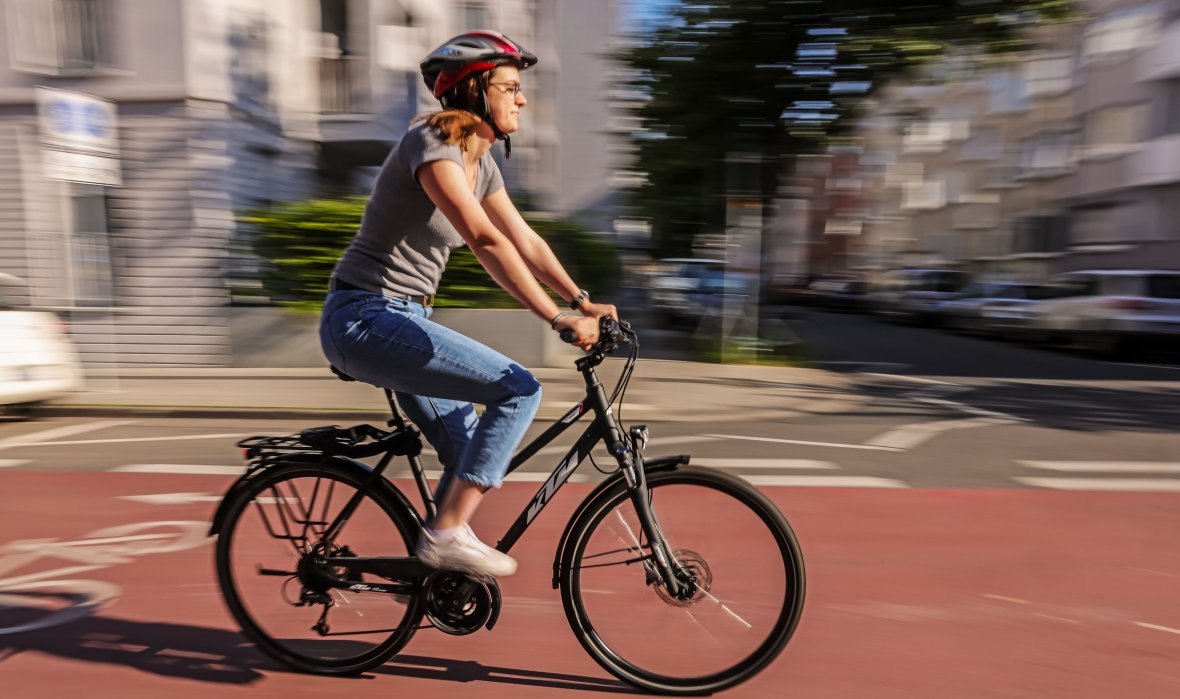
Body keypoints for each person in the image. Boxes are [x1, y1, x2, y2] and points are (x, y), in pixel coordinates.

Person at [319, 30, 616, 579]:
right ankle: (445, 537)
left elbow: (525, 239)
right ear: (475, 91)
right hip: (364, 316)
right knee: (518, 389)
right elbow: (484, 240)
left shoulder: (483, 166)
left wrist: (582, 300)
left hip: (404, 319)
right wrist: (556, 318)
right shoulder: (431, 142)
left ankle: (436, 572)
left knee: (466, 456)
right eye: (510, 87)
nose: (521, 98)